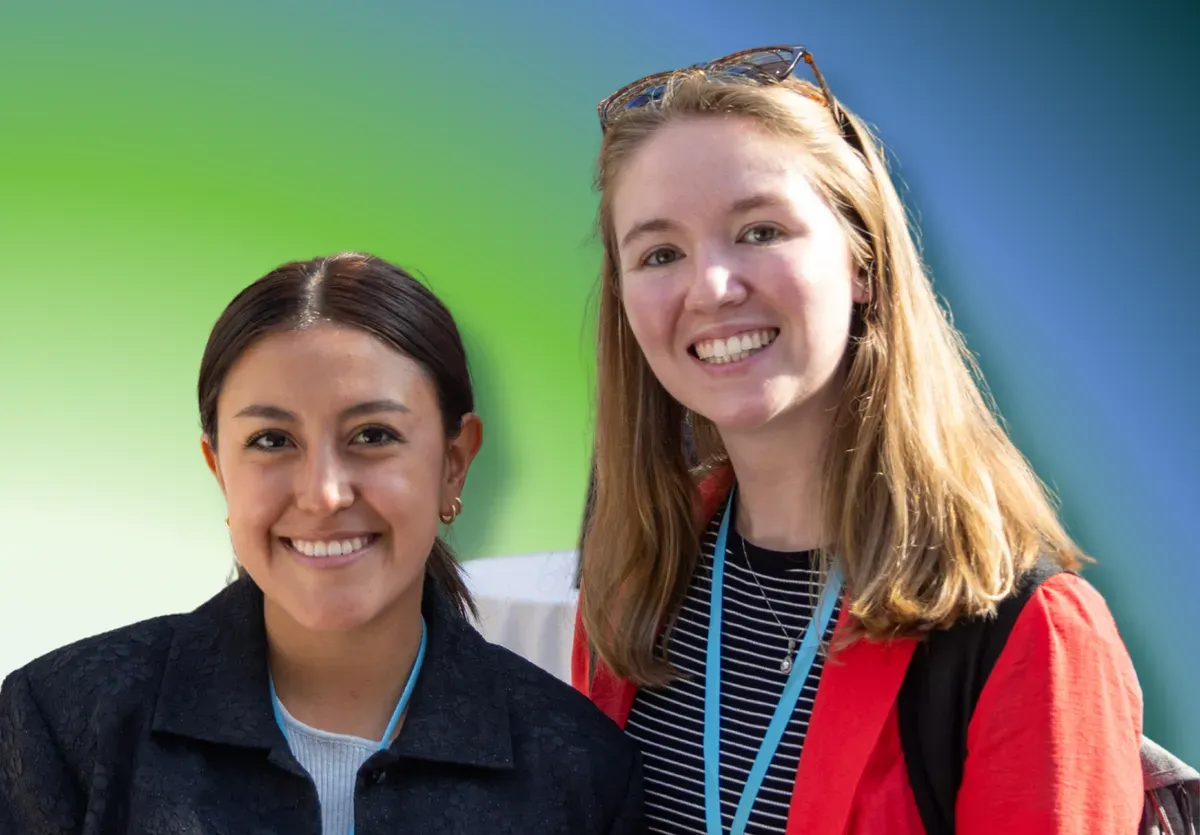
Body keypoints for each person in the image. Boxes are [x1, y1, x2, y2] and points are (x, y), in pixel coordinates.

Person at [570, 46, 1144, 834]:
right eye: (660, 253)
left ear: (862, 261)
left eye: (759, 229)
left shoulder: (1026, 633)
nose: (710, 287)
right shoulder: (636, 585)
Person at [0, 253, 646, 834]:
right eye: (272, 441)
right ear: (219, 468)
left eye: (372, 435)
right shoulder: (65, 723)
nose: (323, 493)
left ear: (454, 463)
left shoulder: (579, 769)